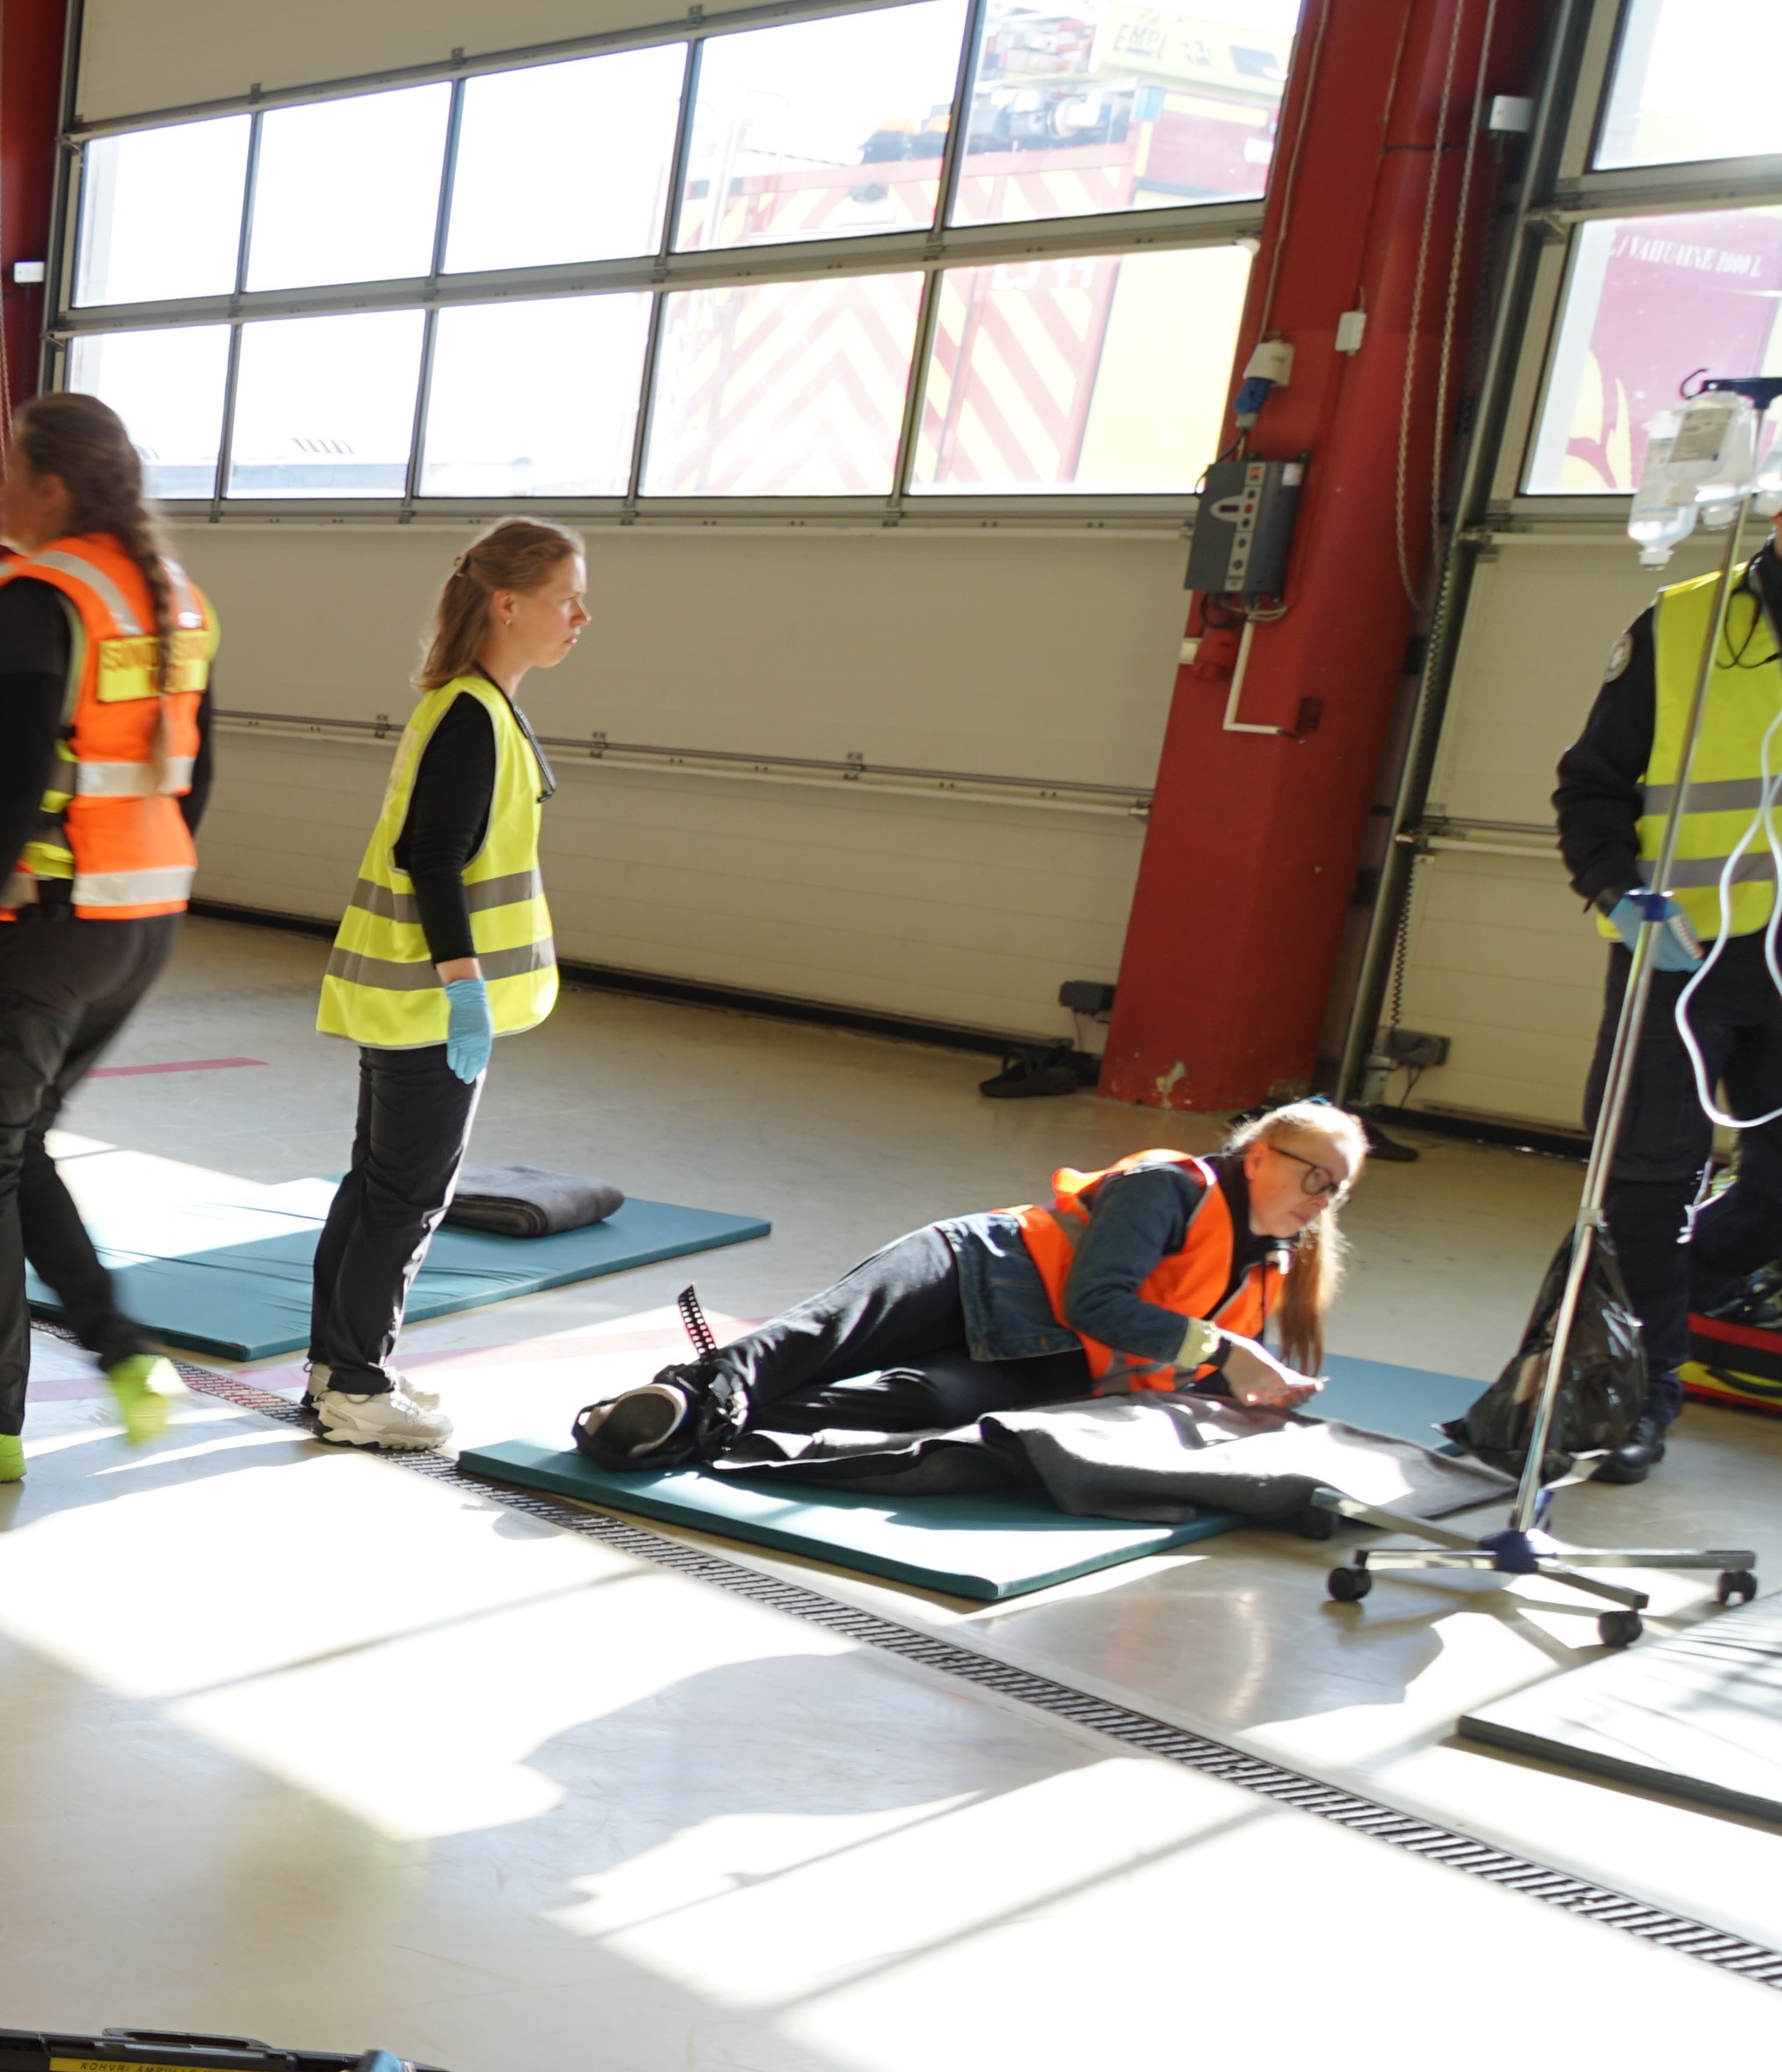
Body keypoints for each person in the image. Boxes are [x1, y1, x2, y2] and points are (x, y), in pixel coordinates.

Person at [0, 396, 211, 1486]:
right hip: (138, 924)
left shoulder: (39, 599)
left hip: (44, 932)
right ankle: (123, 1354)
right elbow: (194, 777)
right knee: (10, 1145)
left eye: (12, 470)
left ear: (54, 488)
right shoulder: (165, 597)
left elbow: (13, 792)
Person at [569, 1103, 1363, 1471]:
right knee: (814, 1340)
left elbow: (1192, 1364)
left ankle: (700, 1424)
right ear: (1258, 1156)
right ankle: (686, 1400)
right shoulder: (1168, 1187)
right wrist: (1225, 1354)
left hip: (1044, 1361)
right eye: (1313, 1176)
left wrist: (1261, 1388)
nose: (1321, 1200)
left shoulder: (1272, 1266)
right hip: (975, 1269)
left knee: (920, 1405)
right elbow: (1098, 1302)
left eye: (1337, 1190)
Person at [304, 517, 588, 1452]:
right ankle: (357, 1387)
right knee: (406, 1197)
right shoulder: (471, 716)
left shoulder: (473, 706)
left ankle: (337, 1369)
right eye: (565, 598)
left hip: (409, 999)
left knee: (377, 1186)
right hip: (431, 1006)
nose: (580, 617)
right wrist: (465, 989)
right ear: (506, 603)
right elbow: (432, 860)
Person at [1554, 522, 1782, 1480]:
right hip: (1681, 953)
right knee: (1647, 1186)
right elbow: (1591, 786)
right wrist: (1615, 889)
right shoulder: (1684, 623)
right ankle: (1639, 1393)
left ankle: (1676, 1308)